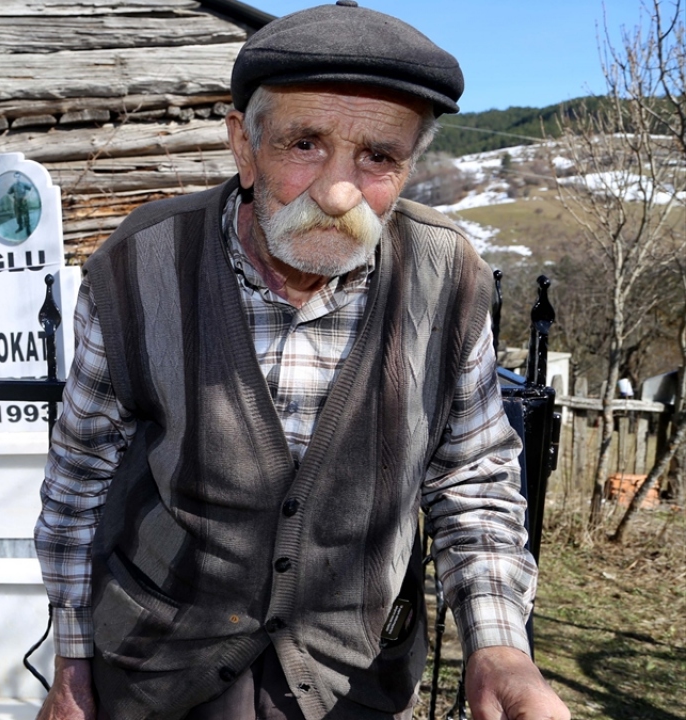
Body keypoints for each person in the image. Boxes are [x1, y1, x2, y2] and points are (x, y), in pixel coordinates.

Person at [33, 3, 571, 719]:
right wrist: (72, 668)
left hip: (350, 681)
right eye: (305, 143)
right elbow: (79, 480)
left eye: (379, 156)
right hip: (155, 669)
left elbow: (473, 477)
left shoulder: (446, 278)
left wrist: (500, 647)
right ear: (244, 146)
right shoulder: (140, 268)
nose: (338, 193)